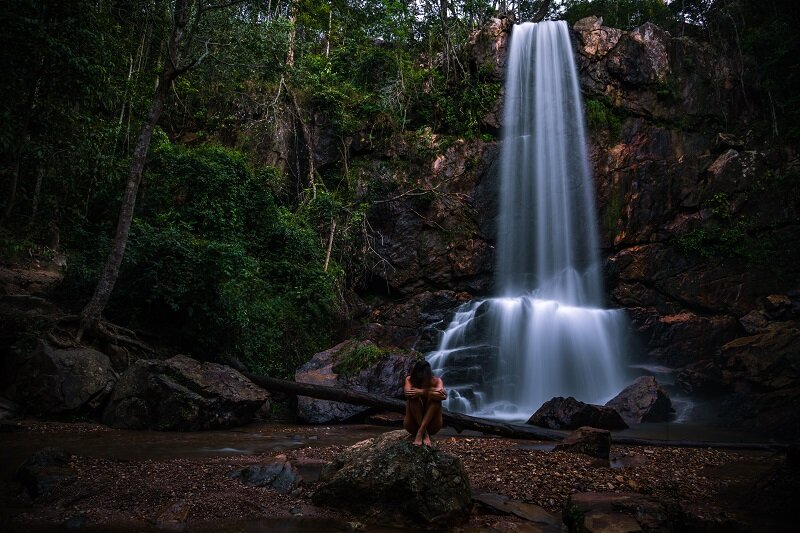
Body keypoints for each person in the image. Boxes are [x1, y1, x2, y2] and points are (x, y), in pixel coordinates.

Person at [403, 360, 446, 446]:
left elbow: (443, 396)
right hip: (412, 425)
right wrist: (432, 390)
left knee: (436, 400)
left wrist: (422, 391)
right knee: (413, 397)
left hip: (433, 426)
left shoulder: (437, 381)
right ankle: (424, 432)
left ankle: (421, 430)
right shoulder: (409, 379)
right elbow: (407, 392)